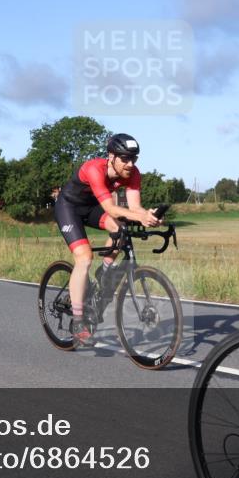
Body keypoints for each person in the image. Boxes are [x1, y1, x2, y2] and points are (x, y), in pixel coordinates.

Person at [54, 133, 163, 346]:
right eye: (125, 159)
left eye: (134, 159)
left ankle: (104, 269)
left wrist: (149, 216)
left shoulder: (133, 173)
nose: (130, 164)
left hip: (91, 208)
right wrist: (140, 216)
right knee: (84, 257)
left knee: (120, 229)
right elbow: (111, 208)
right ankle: (78, 321)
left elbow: (134, 208)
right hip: (68, 207)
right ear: (111, 156)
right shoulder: (95, 169)